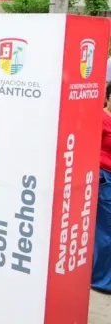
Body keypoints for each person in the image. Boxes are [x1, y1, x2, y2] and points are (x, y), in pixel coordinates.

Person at [92, 83, 111, 292]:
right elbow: (91, 147)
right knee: (106, 231)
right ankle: (102, 281)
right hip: (105, 178)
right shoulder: (102, 119)